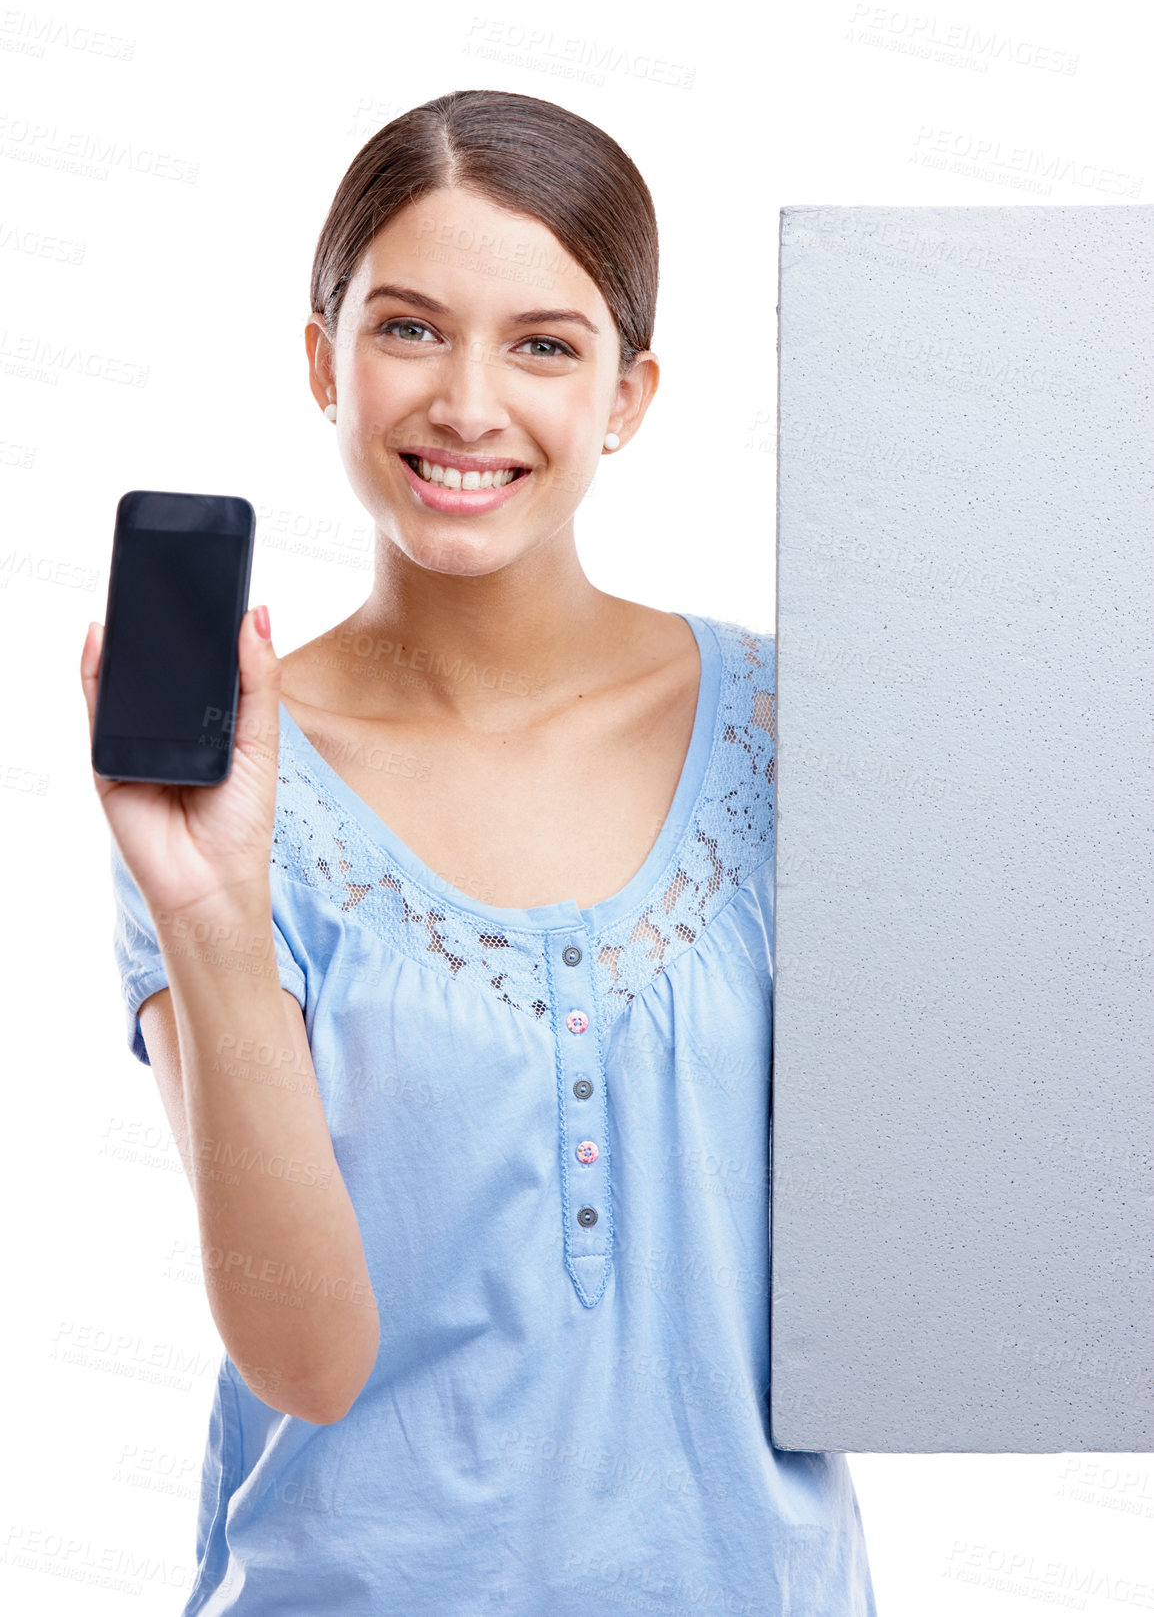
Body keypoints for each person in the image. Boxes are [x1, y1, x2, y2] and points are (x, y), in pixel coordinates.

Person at [81, 89, 877, 1615]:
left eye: (542, 343)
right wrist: (212, 910)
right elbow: (304, 1358)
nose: (465, 404)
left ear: (627, 395)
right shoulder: (231, 794)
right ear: (324, 360)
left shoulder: (804, 733)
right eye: (407, 329)